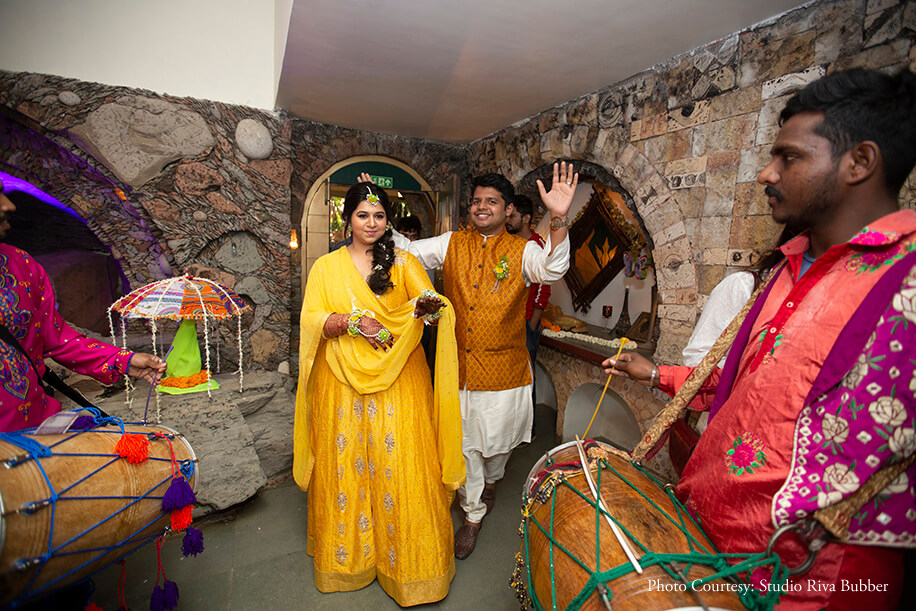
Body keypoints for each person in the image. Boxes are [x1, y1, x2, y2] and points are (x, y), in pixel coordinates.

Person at [603, 69, 916, 608]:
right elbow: (745, 388)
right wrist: (655, 373)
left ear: (859, 163)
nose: (767, 174)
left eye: (789, 157)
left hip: (809, 585)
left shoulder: (905, 286)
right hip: (710, 548)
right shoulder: (783, 272)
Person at [293, 181, 464, 606]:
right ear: (347, 218)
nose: (371, 223)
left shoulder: (403, 263)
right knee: (346, 462)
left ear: (388, 220)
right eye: (363, 215)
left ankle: (408, 567)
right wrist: (354, 324)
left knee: (400, 461)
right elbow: (312, 318)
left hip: (400, 380)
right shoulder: (325, 267)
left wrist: (428, 308)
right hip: (341, 381)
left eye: (379, 215)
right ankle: (349, 562)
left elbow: (427, 304)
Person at [409, 162, 576, 559]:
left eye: (492, 202)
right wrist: (372, 214)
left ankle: (492, 480)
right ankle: (472, 515)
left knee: (497, 449)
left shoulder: (524, 251)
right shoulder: (451, 243)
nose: (483, 207)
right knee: (465, 444)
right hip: (458, 372)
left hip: (505, 372)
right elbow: (408, 252)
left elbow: (552, 268)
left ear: (507, 211)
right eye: (478, 201)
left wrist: (560, 216)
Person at [0, 178, 166, 433]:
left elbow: (58, 339)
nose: (9, 205)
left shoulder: (21, 266)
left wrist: (124, 360)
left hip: (36, 435)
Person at [506, 193, 551, 439]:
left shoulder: (537, 245)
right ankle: (510, 429)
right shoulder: (507, 242)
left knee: (527, 378)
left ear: (526, 218)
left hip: (525, 323)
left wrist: (531, 325)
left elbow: (544, 288)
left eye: (512, 216)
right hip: (507, 323)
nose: (508, 220)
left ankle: (529, 431)